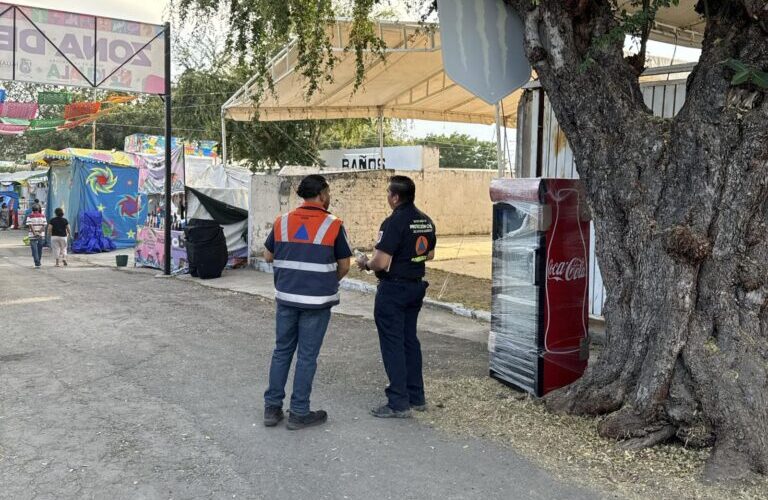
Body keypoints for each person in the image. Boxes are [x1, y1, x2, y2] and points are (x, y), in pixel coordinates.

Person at [262, 174, 352, 430]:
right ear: (322, 194)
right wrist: (325, 280)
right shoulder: (333, 224)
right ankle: (299, 411)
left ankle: (272, 408)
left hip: (287, 298)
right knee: (307, 357)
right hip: (317, 301)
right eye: (329, 192)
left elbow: (268, 256)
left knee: (282, 351)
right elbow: (344, 265)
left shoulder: (283, 222)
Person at [356, 175, 437, 418]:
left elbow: (381, 262)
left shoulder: (393, 222)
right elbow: (429, 254)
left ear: (395, 196)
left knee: (393, 344)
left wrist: (366, 264)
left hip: (394, 289)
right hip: (415, 286)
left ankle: (398, 403)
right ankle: (416, 396)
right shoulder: (426, 221)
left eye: (388, 194)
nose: (388, 198)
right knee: (409, 341)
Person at [26, 204, 47, 268]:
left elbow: (30, 225)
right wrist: (39, 232)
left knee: (34, 249)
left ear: (32, 210)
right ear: (38, 209)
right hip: (41, 235)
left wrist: (35, 233)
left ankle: (37, 263)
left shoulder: (30, 216)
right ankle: (38, 262)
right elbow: (44, 225)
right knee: (39, 249)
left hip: (32, 235)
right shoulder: (43, 216)